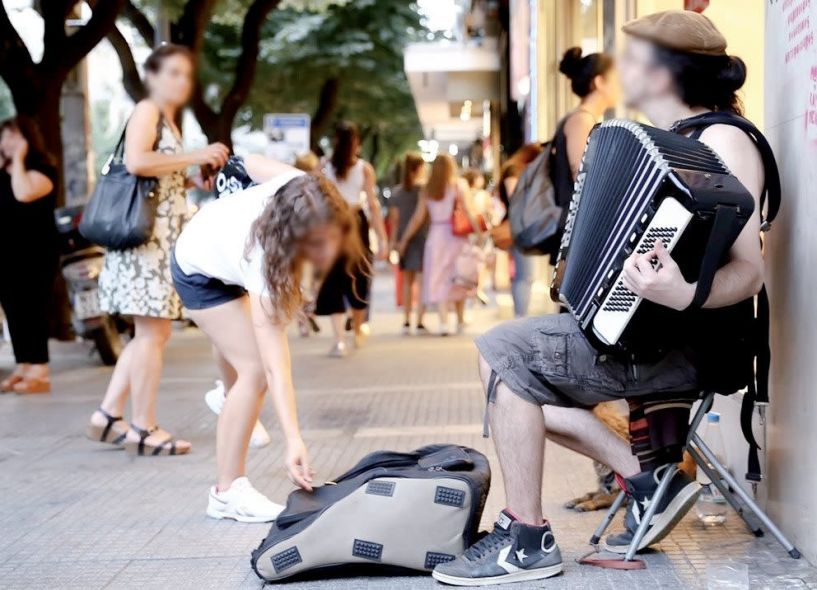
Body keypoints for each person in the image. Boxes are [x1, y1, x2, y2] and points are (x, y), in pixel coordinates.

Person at [433, 11, 766, 585]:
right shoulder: (672, 141)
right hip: (648, 335)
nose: (620, 72)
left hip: (686, 347)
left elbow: (749, 272)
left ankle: (529, 537)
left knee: (503, 352)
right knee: (504, 366)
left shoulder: (724, 141)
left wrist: (682, 293)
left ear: (667, 72)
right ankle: (642, 480)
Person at [171, 154, 364, 521]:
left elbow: (246, 160)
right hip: (196, 270)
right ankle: (226, 492)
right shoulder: (262, 257)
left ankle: (229, 398)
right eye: (316, 244)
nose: (327, 252)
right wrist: (293, 439)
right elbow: (277, 367)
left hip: (216, 244)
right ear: (293, 236)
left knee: (244, 367)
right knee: (256, 371)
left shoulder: (302, 189)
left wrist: (228, 182)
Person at [86, 44, 229, 455]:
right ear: (152, 76)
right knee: (152, 333)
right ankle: (143, 427)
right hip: (145, 245)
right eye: (172, 73)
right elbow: (135, 162)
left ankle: (108, 415)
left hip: (156, 242)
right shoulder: (148, 109)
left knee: (150, 333)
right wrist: (197, 154)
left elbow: (156, 179)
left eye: (186, 74)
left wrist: (190, 179)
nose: (181, 82)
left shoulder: (164, 117)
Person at [314, 122, 387, 356]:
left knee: (333, 279)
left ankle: (339, 340)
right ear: (356, 143)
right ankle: (357, 328)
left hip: (333, 224)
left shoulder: (324, 165)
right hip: (356, 222)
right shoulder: (365, 168)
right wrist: (382, 238)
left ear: (335, 141)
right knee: (359, 276)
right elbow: (373, 205)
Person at [0, 118, 58, 394]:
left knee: (33, 309)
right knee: (14, 311)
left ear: (27, 139)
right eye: (4, 137)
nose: (7, 143)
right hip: (6, 256)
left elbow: (23, 194)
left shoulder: (42, 169)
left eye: (13, 136)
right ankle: (23, 364)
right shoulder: (4, 171)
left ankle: (40, 369)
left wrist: (19, 160)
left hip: (34, 255)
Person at [398, 154, 480, 336]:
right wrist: (479, 233)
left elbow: (418, 218)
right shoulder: (459, 185)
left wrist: (404, 239)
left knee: (439, 278)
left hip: (436, 236)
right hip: (456, 236)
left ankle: (444, 322)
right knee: (459, 275)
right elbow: (469, 210)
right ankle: (459, 319)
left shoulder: (428, 188)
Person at [497, 144, 543, 317]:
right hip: (520, 229)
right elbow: (515, 199)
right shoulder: (514, 171)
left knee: (524, 275)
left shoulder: (513, 170)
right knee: (525, 276)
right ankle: (520, 316)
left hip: (518, 228)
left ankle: (520, 315)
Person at [387, 152, 427, 335]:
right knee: (422, 281)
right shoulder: (424, 190)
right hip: (423, 238)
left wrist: (394, 243)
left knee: (407, 282)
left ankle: (406, 321)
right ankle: (419, 322)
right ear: (419, 168)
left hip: (404, 240)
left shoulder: (396, 192)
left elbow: (394, 221)